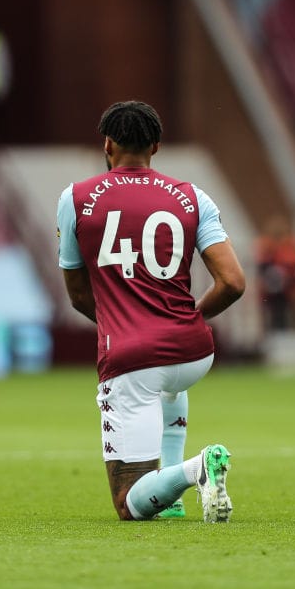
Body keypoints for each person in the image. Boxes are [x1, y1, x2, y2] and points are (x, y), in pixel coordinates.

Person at [56, 101, 245, 522]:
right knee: (169, 383)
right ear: (156, 147)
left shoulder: (76, 198)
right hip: (194, 353)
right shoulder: (193, 196)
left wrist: (123, 327)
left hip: (133, 359)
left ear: (107, 144)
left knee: (129, 503)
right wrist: (189, 316)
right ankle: (173, 499)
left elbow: (77, 293)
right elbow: (233, 283)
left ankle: (195, 469)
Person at [255, 213, 295, 332]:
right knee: (275, 311)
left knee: (286, 311)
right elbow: (262, 265)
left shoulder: (291, 245)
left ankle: (288, 330)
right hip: (272, 287)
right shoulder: (266, 245)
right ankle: (276, 330)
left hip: (287, 287)